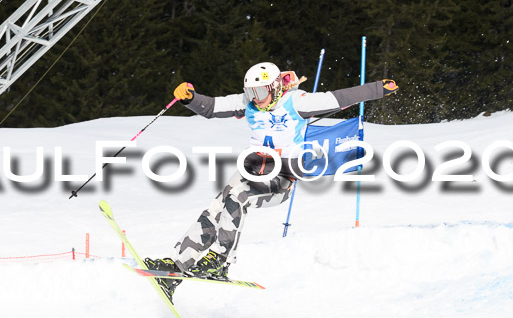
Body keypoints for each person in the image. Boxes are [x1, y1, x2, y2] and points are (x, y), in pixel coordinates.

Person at [145, 62, 398, 301]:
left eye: (261, 90)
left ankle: (220, 262)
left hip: (281, 179)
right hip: (253, 170)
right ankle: (177, 266)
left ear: (275, 86)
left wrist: (378, 88)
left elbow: (339, 97)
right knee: (215, 209)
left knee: (238, 198)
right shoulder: (248, 103)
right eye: (251, 91)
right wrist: (191, 98)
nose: (256, 96)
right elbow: (212, 107)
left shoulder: (296, 102)